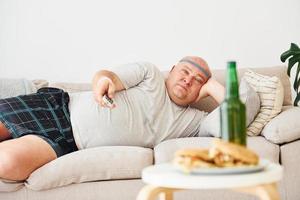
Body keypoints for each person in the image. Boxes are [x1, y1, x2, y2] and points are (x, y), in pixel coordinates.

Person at [0, 56, 225, 181]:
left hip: (66, 143)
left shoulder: (193, 122)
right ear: (173, 69)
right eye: (185, 72)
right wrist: (103, 82)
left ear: (202, 91)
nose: (188, 80)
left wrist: (214, 86)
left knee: (7, 163)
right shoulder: (151, 74)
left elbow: (236, 119)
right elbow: (108, 76)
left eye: (198, 80)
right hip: (58, 108)